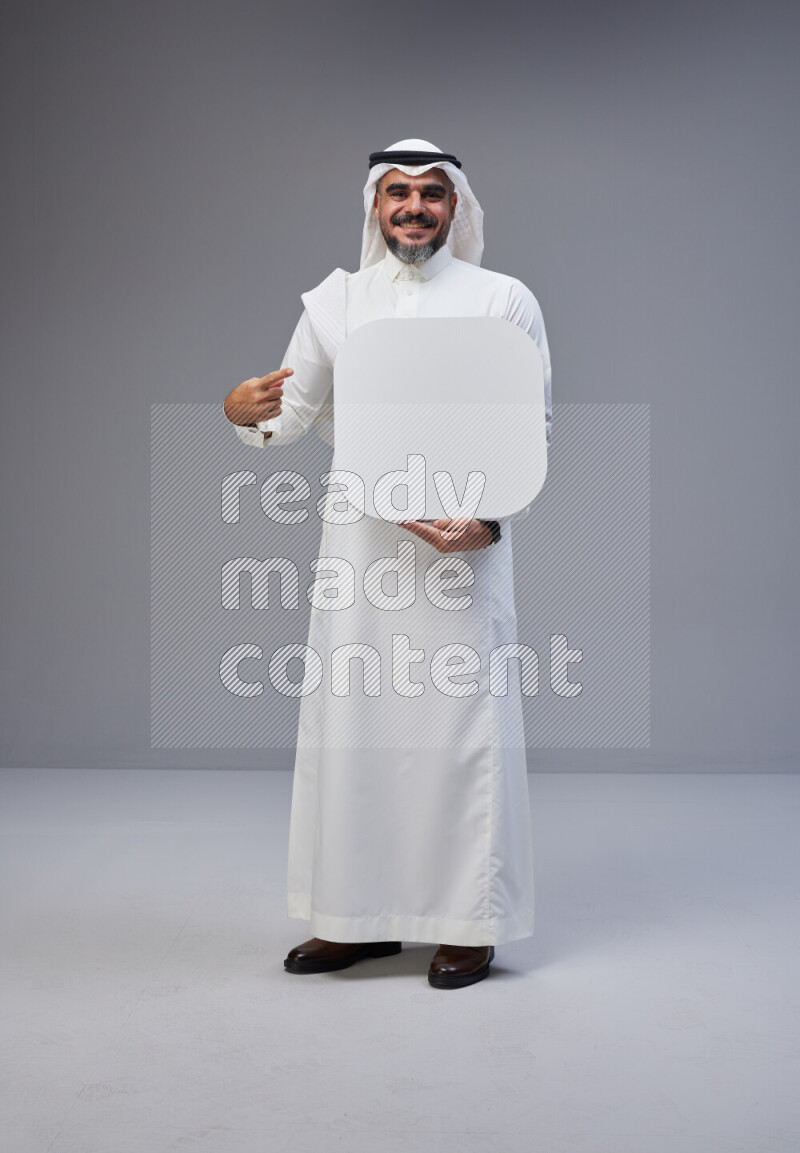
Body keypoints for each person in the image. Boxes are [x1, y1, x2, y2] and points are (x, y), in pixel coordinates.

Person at [223, 139, 552, 988]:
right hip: (362, 545)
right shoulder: (337, 302)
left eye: (432, 193)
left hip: (460, 550)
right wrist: (240, 409)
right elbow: (285, 415)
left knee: (455, 735)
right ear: (375, 206)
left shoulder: (503, 300)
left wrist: (484, 524)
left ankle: (466, 921)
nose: (414, 206)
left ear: (456, 208)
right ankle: (353, 918)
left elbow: (532, 429)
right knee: (356, 731)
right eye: (397, 192)